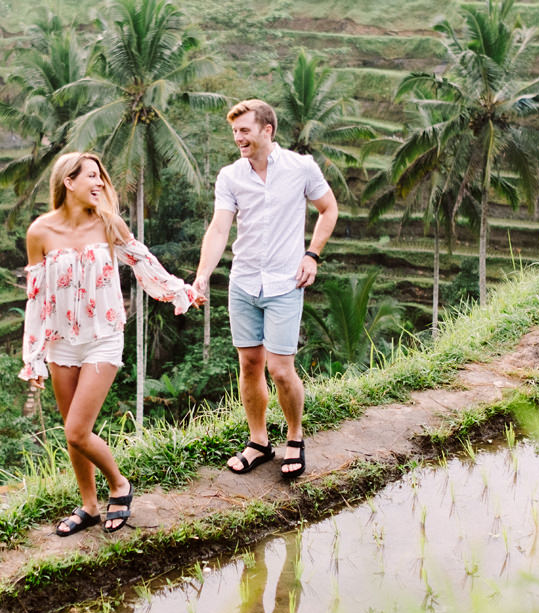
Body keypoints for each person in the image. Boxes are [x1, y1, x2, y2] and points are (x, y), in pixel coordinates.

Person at [20, 152, 202, 537]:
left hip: (103, 337)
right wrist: (33, 356)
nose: (100, 182)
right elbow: (35, 299)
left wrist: (178, 291)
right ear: (68, 182)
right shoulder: (40, 232)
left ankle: (119, 485)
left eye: (101, 176)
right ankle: (88, 505)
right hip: (61, 343)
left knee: (76, 430)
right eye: (91, 176)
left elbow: (144, 264)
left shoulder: (107, 224)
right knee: (73, 429)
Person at [193, 99, 338, 481]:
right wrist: (203, 273)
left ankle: (294, 436)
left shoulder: (300, 167)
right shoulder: (230, 176)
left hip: (285, 283)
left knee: (281, 369)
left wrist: (312, 255)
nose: (238, 138)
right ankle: (259, 441)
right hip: (243, 283)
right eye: (235, 132)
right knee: (249, 365)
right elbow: (220, 227)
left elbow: (328, 208)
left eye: (244, 130)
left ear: (267, 130)